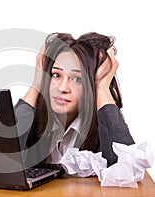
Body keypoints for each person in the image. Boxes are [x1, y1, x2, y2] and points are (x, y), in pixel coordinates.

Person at [14, 32, 134, 168]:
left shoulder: (103, 127)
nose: (62, 88)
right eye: (56, 75)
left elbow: (127, 168)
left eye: (77, 79)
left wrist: (101, 87)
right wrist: (36, 84)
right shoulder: (32, 120)